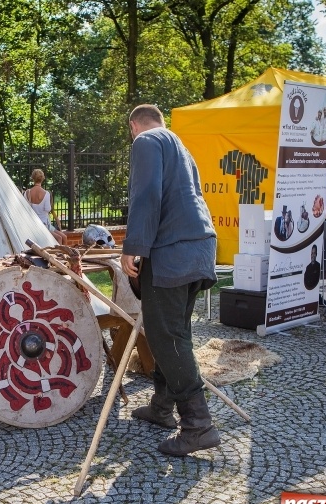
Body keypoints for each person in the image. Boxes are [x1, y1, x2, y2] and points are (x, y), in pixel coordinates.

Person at [120, 104, 220, 456]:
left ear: (135, 126)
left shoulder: (146, 141)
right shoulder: (179, 144)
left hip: (173, 253)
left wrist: (133, 248)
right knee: (171, 332)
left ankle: (197, 425)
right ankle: (162, 407)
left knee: (166, 337)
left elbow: (145, 196)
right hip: (197, 248)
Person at [24, 169, 67, 245]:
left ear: (33, 178)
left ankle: (63, 255)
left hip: (34, 223)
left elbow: (25, 208)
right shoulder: (46, 193)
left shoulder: (28, 192)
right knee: (61, 238)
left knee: (62, 237)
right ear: (43, 178)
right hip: (44, 224)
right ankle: (60, 255)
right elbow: (48, 209)